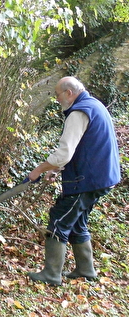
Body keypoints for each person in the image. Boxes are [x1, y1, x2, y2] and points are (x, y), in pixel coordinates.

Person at [27, 76, 120, 286]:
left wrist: (40, 169)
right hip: (102, 178)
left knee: (59, 218)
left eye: (57, 95)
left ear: (69, 93)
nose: (56, 99)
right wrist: (57, 169)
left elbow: (65, 153)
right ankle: (86, 270)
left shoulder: (78, 112)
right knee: (78, 221)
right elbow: (82, 147)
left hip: (87, 180)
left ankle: (51, 274)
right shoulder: (94, 105)